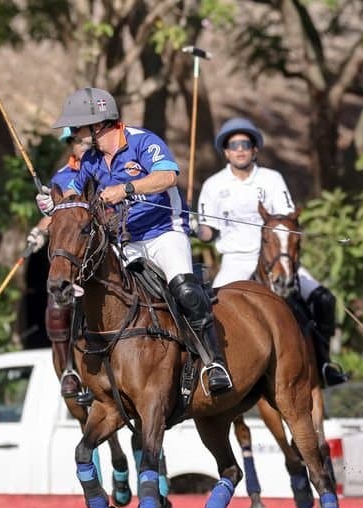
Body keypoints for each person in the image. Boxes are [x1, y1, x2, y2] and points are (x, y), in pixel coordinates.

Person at [39, 87, 233, 395]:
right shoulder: (90, 160)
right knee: (89, 291)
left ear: (99, 123)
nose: (74, 133)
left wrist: (126, 188)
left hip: (163, 231)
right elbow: (73, 197)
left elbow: (168, 176)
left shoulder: (143, 142)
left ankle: (214, 362)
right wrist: (53, 203)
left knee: (184, 289)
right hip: (123, 240)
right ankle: (86, 370)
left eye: (78, 127)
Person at [194, 117, 346, 386]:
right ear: (226, 152)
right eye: (234, 145)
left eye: (245, 144)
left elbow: (287, 217)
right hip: (236, 261)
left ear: (254, 150)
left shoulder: (271, 179)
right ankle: (215, 369)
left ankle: (324, 364)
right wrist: (195, 226)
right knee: (209, 310)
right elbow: (209, 233)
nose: (240, 149)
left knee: (324, 298)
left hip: (277, 258)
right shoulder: (214, 185)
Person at [28, 127, 90, 399]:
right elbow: (58, 217)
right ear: (70, 145)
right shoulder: (63, 178)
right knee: (57, 302)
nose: (84, 145)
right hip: (78, 254)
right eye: (77, 141)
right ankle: (68, 369)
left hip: (106, 245)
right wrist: (40, 230)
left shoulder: (109, 168)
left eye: (88, 140)